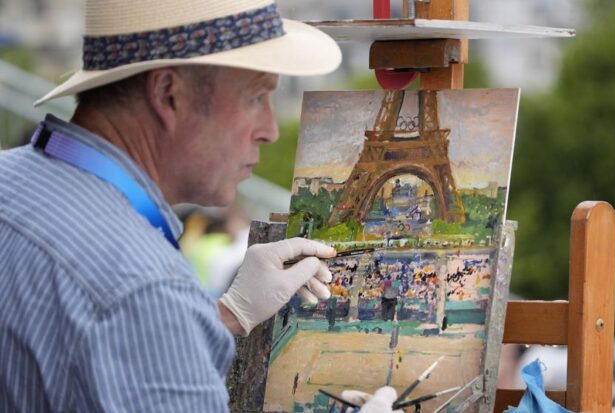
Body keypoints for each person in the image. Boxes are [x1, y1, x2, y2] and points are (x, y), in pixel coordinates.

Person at [0, 0, 400, 412]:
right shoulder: (145, 291)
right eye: (256, 97)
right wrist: (176, 311)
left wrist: (226, 313)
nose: (270, 130)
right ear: (168, 93)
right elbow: (127, 312)